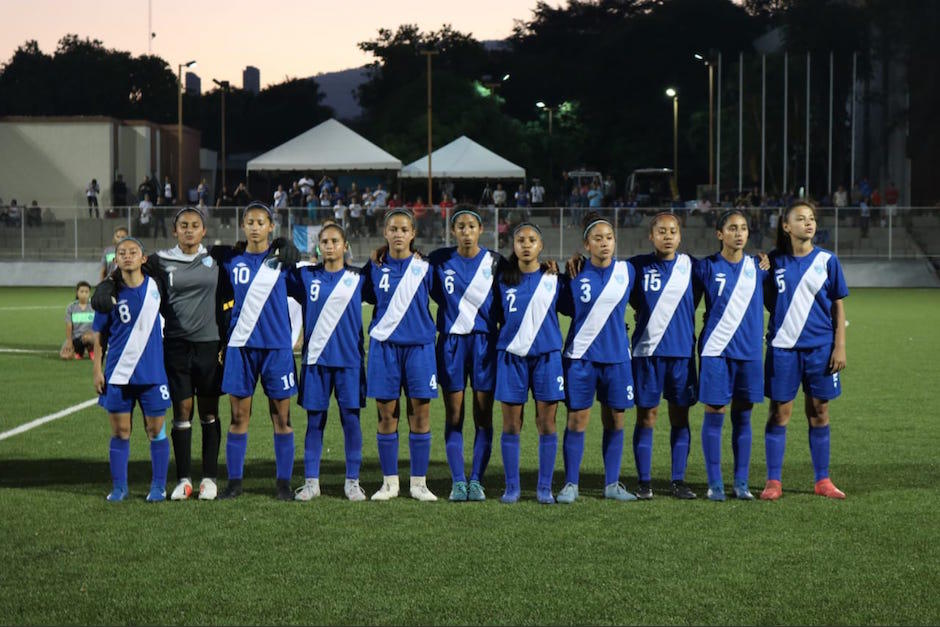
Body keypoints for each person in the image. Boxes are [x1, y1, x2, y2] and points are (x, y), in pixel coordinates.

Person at [761, 201, 848, 500]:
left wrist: (839, 346)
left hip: (821, 349)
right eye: (800, 219)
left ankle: (822, 480)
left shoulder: (827, 260)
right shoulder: (774, 261)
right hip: (783, 349)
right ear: (786, 226)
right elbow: (769, 301)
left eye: (811, 218)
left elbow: (838, 305)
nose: (808, 223)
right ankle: (773, 481)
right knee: (779, 413)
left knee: (819, 411)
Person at [216, 202, 300, 500]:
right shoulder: (231, 262)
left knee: (282, 417)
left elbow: (308, 288)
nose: (254, 227)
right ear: (243, 226)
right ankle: (234, 483)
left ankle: (283, 484)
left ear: (270, 226)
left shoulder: (283, 262)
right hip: (241, 347)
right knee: (238, 417)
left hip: (277, 348)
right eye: (250, 222)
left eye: (260, 222)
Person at [555, 212, 637, 503]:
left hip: (617, 359)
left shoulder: (628, 271)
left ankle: (612, 484)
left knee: (615, 420)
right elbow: (561, 307)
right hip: (581, 358)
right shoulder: (574, 274)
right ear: (586, 244)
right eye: (598, 238)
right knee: (577, 420)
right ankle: (571, 484)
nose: (605, 243)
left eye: (609, 238)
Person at [362, 208, 439, 501]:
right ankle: (389, 483)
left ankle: (419, 484)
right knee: (387, 415)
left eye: (404, 229)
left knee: (420, 414)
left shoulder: (426, 267)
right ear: (385, 233)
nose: (398, 234)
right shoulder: (374, 267)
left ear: (413, 234)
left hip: (419, 348)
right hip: (385, 349)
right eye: (393, 229)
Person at [287, 223, 367, 501]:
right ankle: (312, 482)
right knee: (315, 421)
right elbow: (279, 277)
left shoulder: (359, 278)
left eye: (335, 241)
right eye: (324, 242)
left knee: (351, 421)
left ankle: (352, 482)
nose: (330, 246)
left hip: (349, 361)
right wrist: (282, 255)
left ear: (345, 246)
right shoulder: (306, 276)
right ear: (319, 247)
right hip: (315, 360)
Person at [426, 206, 502, 501]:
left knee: (483, 415)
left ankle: (476, 481)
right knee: (454, 414)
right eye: (461, 226)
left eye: (472, 226)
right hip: (451, 344)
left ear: (481, 229)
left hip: (485, 344)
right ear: (453, 231)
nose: (466, 232)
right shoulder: (439, 260)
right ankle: (458, 481)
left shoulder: (495, 261)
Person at [692, 209, 768, 501]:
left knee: (744, 416)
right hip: (716, 350)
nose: (739, 233)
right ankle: (715, 484)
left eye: (744, 228)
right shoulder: (706, 267)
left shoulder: (759, 266)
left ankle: (741, 483)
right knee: (715, 414)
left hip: (749, 352)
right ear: (719, 234)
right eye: (732, 228)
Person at [91, 237, 171, 501]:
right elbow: (99, 335)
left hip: (152, 372)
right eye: (122, 253)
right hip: (118, 373)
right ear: (116, 260)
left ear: (143, 258)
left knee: (155, 430)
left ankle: (158, 486)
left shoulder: (157, 286)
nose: (127, 256)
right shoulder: (109, 295)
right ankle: (119, 487)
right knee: (120, 432)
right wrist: (97, 370)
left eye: (133, 252)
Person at [629, 212, 698, 500]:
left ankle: (678, 480)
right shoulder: (636, 266)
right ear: (651, 236)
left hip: (681, 354)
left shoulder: (693, 267)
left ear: (680, 236)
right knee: (647, 416)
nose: (667, 236)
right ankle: (644, 482)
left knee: (680, 417)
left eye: (673, 231)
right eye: (661, 231)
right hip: (647, 353)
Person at [494, 222, 564, 504]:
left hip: (547, 357)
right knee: (512, 424)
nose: (526, 245)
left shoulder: (554, 279)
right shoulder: (502, 280)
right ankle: (512, 487)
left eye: (532, 240)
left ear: (541, 246)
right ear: (513, 245)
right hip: (512, 358)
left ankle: (544, 487)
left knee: (546, 423)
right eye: (520, 240)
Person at [60, 281, 95, 360]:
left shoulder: (94, 306)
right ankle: (79, 352)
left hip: (90, 337)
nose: (84, 294)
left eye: (86, 292)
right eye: (81, 291)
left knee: (87, 337)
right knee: (65, 356)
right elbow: (69, 326)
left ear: (89, 293)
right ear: (77, 292)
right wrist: (69, 342)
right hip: (76, 337)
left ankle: (91, 350)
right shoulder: (71, 307)